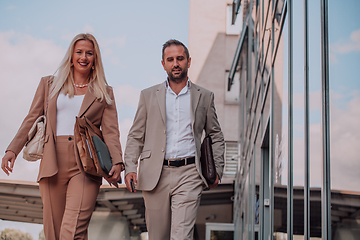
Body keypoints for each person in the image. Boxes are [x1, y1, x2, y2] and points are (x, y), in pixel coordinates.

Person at [1, 33, 124, 240]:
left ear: (95, 59)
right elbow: (32, 118)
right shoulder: (49, 84)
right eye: (79, 52)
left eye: (89, 53)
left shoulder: (104, 92)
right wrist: (13, 149)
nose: (83, 57)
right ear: (71, 56)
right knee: (54, 233)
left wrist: (118, 161)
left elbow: (111, 131)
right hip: (52, 160)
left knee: (72, 229)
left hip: (85, 163)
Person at [124, 39, 225, 239]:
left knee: (181, 236)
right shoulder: (148, 95)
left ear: (188, 61)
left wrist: (218, 169)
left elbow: (215, 134)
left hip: (189, 174)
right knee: (158, 236)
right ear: (163, 64)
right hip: (155, 173)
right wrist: (130, 168)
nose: (175, 63)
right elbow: (136, 135)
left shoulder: (204, 96)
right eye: (170, 59)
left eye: (180, 58)